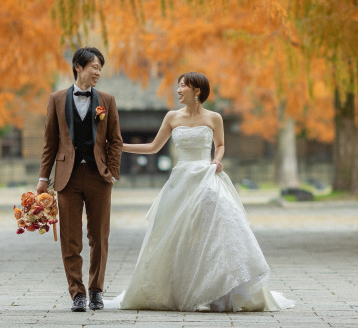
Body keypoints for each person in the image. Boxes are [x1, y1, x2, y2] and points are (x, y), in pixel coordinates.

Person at [106, 72, 294, 312]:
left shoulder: (214, 117)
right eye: (178, 85)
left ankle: (216, 291)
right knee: (177, 235)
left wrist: (216, 160)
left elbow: (221, 144)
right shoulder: (172, 117)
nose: (178, 90)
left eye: (183, 86)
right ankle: (181, 290)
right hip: (180, 182)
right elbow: (153, 147)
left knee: (214, 231)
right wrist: (119, 146)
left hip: (207, 177)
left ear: (197, 91)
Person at [37, 47, 124, 312]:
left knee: (99, 236)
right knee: (70, 238)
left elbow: (115, 141)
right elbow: (50, 142)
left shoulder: (106, 101)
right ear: (78, 67)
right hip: (67, 179)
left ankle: (96, 291)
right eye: (94, 67)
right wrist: (43, 178)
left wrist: (110, 172)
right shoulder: (56, 99)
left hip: (98, 178)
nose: (98, 72)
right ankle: (77, 293)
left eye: (100, 68)